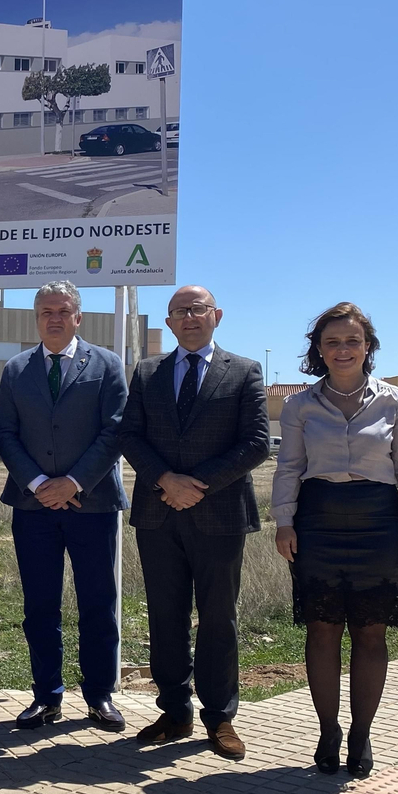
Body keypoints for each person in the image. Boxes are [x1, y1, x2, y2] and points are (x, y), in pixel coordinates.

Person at [271, 303, 398, 779]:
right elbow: (289, 468)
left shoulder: (397, 400)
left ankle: (361, 733)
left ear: (368, 347)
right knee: (321, 629)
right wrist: (284, 521)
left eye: (352, 341)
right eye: (332, 342)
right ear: (318, 350)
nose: (343, 350)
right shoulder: (300, 405)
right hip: (317, 522)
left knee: (370, 631)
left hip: (379, 524)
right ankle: (327, 730)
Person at [119, 286, 270, 760]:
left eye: (197, 309)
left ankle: (220, 718)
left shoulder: (244, 371)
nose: (188, 317)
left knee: (218, 619)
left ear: (216, 316)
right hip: (157, 513)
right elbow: (130, 434)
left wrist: (194, 485)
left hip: (219, 514)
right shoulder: (147, 372)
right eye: (179, 311)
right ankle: (175, 710)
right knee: (166, 617)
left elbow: (256, 443)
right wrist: (166, 480)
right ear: (168, 322)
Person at [0, 280, 129, 732]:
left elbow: (114, 431)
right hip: (33, 509)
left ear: (78, 317)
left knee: (98, 603)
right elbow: (5, 433)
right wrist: (37, 484)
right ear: (36, 318)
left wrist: (72, 483)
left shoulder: (107, 365)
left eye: (62, 310)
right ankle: (46, 697)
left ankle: (100, 696)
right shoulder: (16, 369)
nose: (54, 318)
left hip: (91, 506)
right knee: (40, 606)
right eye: (45, 311)